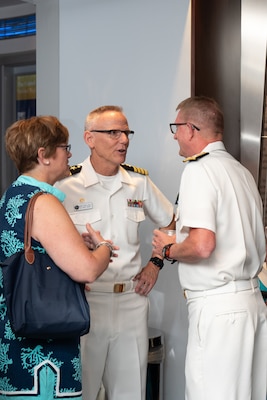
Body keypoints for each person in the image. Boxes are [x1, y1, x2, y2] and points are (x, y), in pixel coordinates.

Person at [55, 105, 175, 400]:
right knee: (81, 389)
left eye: (126, 132)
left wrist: (155, 263)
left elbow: (172, 221)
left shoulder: (138, 182)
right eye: (113, 132)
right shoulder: (64, 184)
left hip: (131, 301)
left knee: (130, 391)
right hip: (84, 302)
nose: (124, 140)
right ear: (89, 138)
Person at [152, 96, 267, 400]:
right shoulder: (241, 172)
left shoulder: (198, 170)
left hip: (218, 308)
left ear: (191, 129)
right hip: (252, 303)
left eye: (176, 127)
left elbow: (203, 246)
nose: (174, 134)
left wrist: (168, 248)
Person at [0, 116, 116, 400]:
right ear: (44, 155)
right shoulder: (43, 202)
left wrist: (75, 245)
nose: (70, 154)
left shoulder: (13, 195)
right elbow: (86, 270)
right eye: (64, 147)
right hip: (44, 357)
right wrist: (102, 247)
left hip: (16, 342)